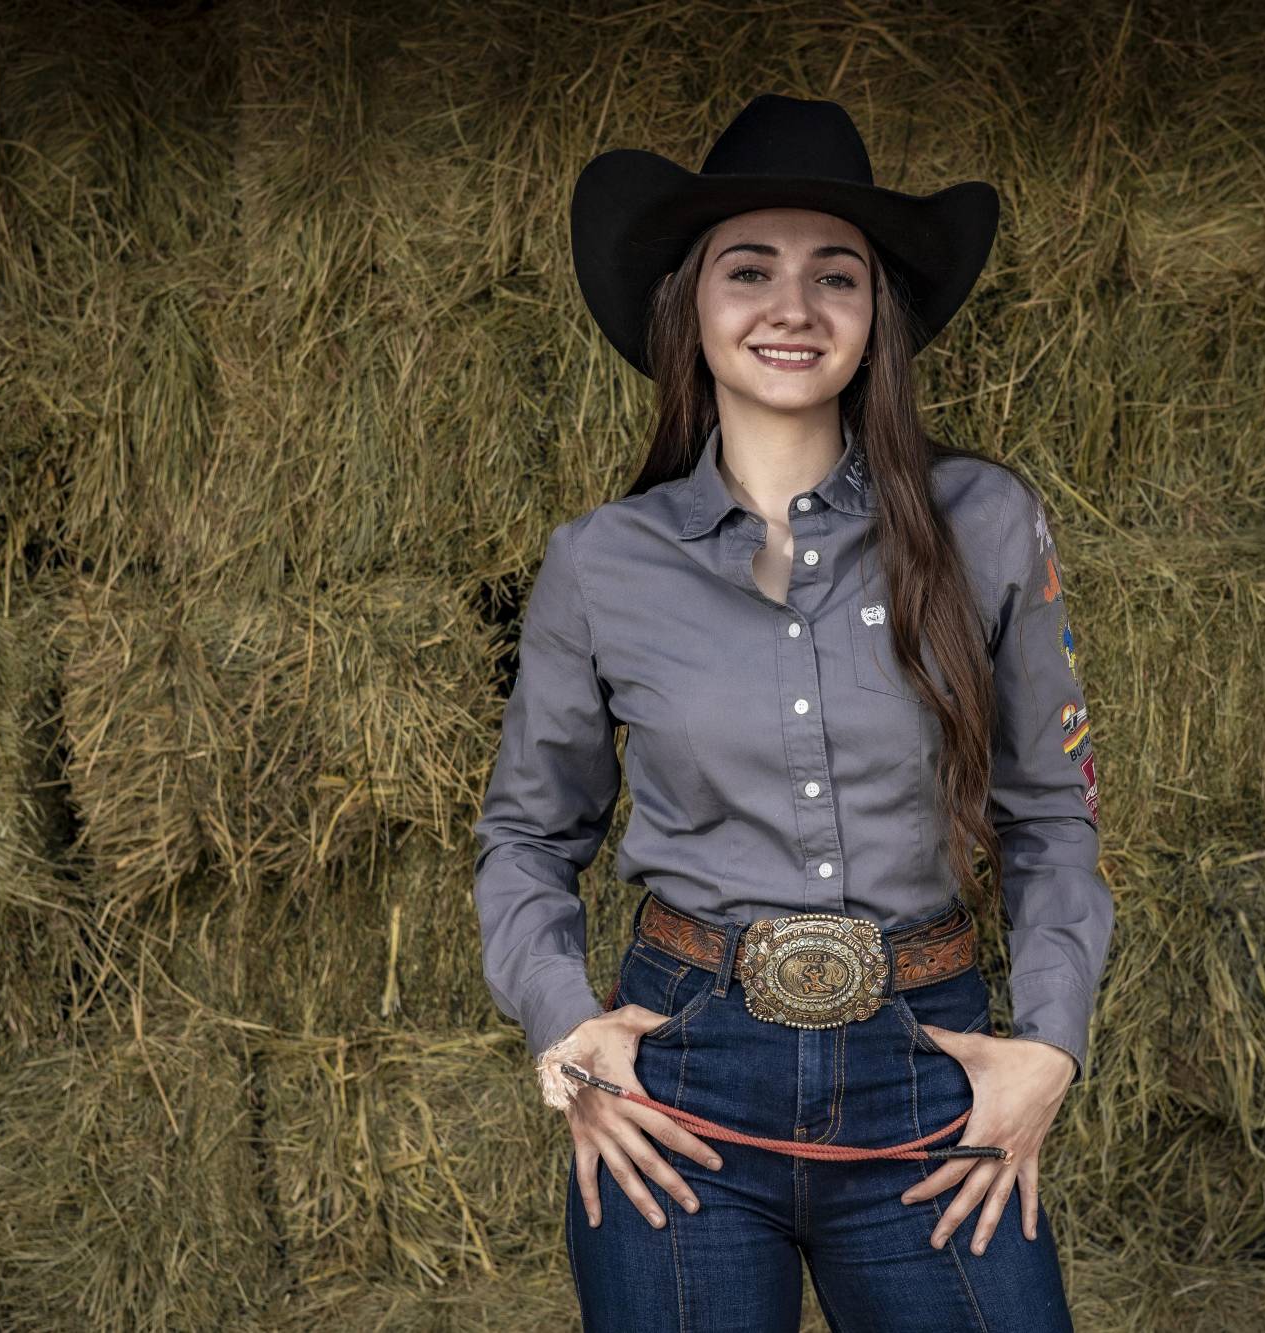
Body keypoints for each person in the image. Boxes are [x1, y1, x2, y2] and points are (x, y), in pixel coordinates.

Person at [472, 93, 1114, 1332]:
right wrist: (567, 1031)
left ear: (876, 318)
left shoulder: (984, 522)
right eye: (747, 269)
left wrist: (1051, 1046)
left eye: (837, 275)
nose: (792, 307)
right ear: (688, 304)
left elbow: (1049, 814)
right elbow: (526, 836)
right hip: (682, 1085)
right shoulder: (602, 562)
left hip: (927, 1076)